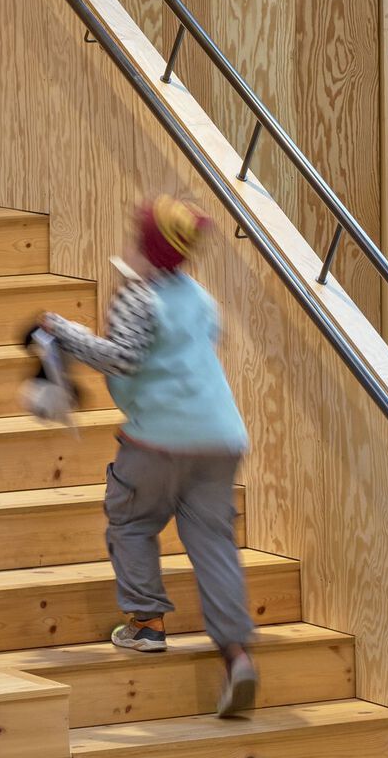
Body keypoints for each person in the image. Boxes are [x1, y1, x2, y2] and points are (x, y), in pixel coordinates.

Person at [37, 193, 259, 721]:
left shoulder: (140, 297)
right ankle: (237, 656)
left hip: (160, 439)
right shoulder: (200, 298)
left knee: (132, 521)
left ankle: (145, 625)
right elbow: (201, 343)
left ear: (145, 244)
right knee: (213, 543)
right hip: (221, 438)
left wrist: (60, 332)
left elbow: (123, 358)